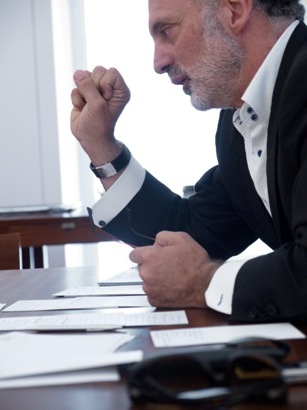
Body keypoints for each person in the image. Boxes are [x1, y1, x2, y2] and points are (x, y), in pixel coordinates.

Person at [70, 0, 307, 322]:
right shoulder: (240, 117)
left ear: (235, 10)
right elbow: (190, 233)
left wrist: (203, 283)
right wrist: (100, 144)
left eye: (166, 31)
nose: (158, 62)